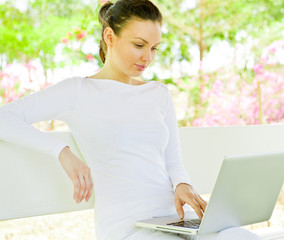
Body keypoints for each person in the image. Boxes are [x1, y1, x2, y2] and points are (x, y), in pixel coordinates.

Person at [0, 0, 263, 239]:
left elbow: (171, 158)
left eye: (154, 48)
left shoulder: (157, 93)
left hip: (176, 220)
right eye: (139, 45)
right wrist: (61, 151)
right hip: (128, 227)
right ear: (109, 36)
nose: (147, 58)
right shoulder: (77, 91)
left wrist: (182, 183)